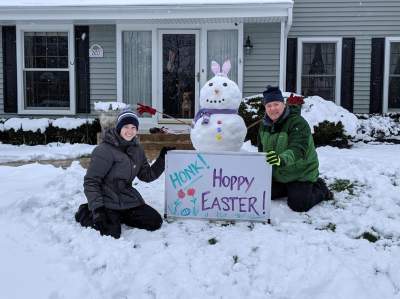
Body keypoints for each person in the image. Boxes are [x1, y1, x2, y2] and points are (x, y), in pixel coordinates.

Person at [75, 109, 174, 238]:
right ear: (119, 127)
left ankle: (118, 216)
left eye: (133, 127)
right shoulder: (104, 150)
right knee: (112, 232)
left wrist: (162, 159)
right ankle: (86, 212)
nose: (130, 131)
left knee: (154, 222)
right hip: (106, 201)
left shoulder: (137, 150)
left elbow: (147, 175)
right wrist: (98, 209)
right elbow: (91, 181)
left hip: (127, 199)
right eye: (126, 126)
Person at [258, 86, 332, 212]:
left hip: (300, 173)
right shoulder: (264, 125)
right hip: (278, 173)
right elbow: (261, 150)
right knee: (261, 192)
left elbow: (298, 149)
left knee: (299, 205)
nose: (272, 108)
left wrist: (280, 159)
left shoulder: (297, 123)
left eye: (276, 104)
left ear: (283, 104)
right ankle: (289, 188)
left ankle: (320, 188)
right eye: (269, 105)